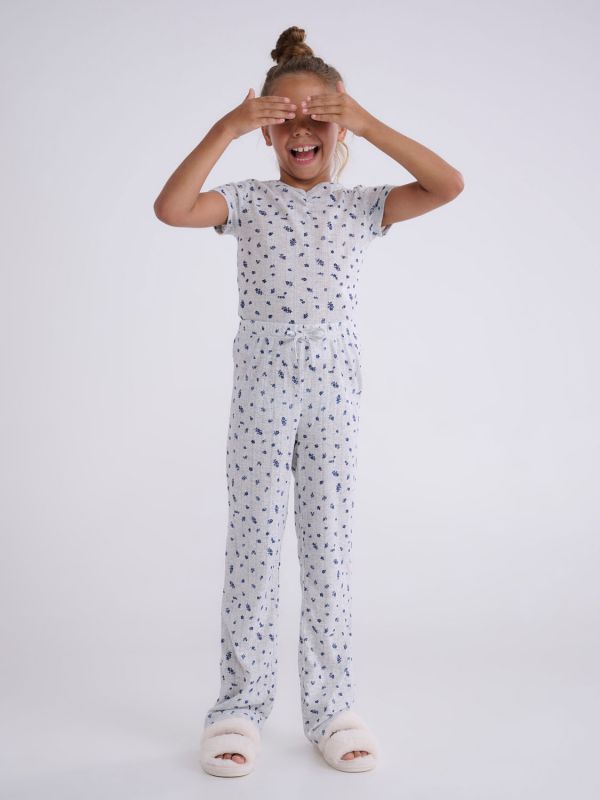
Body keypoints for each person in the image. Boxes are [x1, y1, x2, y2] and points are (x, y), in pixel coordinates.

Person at [154, 25, 464, 778]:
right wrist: (226, 126)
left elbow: (449, 184)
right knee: (255, 547)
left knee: (328, 547)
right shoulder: (247, 202)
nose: (301, 129)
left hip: (333, 392)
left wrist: (365, 120)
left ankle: (332, 709)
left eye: (317, 117)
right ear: (267, 133)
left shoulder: (361, 207)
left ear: (338, 126)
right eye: (283, 118)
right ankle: (238, 707)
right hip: (262, 389)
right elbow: (171, 208)